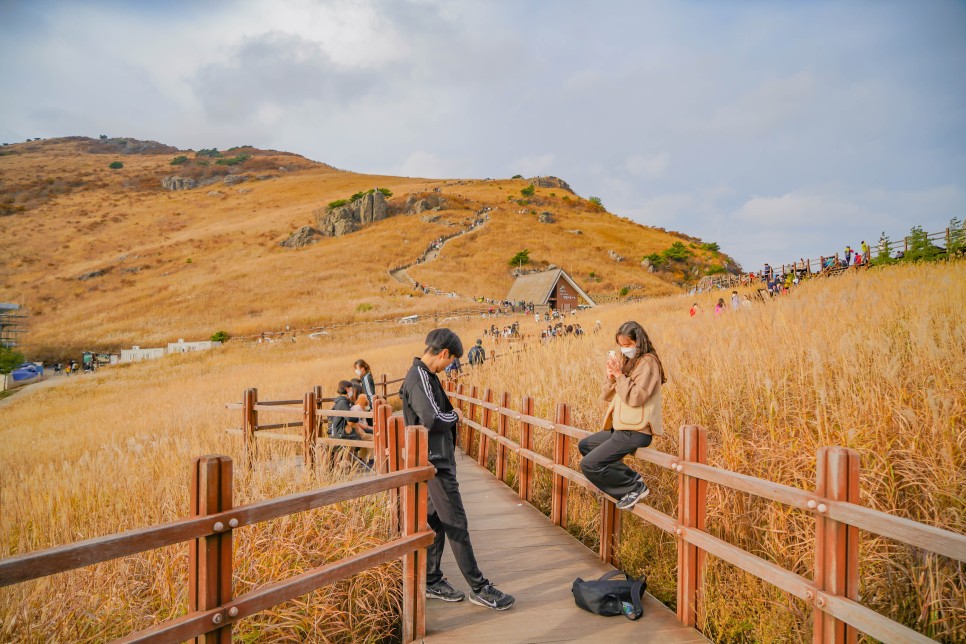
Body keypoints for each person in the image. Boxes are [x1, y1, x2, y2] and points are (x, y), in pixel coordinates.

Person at [400, 329, 515, 610]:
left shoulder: (425, 377)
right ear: (443, 353)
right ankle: (479, 587)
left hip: (433, 460)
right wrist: (456, 415)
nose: (449, 366)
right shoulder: (420, 378)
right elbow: (431, 417)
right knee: (457, 524)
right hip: (435, 463)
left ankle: (431, 579)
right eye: (450, 361)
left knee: (437, 522)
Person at [579, 321, 666, 511]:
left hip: (636, 430)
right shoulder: (630, 363)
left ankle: (633, 488)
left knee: (589, 465)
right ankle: (631, 478)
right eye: (621, 345)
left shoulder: (649, 363)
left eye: (627, 345)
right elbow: (607, 395)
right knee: (585, 446)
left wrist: (620, 376)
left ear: (638, 342)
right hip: (622, 427)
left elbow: (637, 397)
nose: (624, 349)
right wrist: (612, 376)